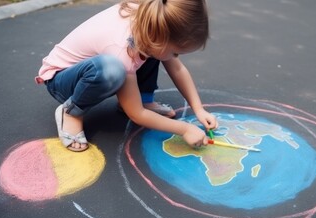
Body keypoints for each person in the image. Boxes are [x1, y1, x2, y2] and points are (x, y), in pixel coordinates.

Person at [35, 0, 218, 152]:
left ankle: (144, 99)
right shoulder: (121, 47)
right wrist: (185, 129)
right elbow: (136, 114)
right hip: (62, 80)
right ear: (162, 37)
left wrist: (199, 109)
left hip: (96, 67)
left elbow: (177, 69)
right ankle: (71, 112)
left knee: (153, 53)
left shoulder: (153, 22)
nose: (176, 58)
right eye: (176, 52)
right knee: (112, 69)